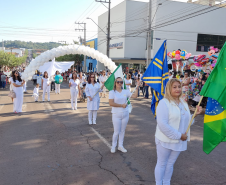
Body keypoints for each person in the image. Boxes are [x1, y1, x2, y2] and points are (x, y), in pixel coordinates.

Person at [154, 78, 202, 185]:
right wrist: (179, 135)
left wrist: (195, 115)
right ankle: (158, 183)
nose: (178, 89)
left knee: (170, 164)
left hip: (179, 140)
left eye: (179, 86)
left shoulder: (183, 102)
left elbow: (186, 121)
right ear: (169, 89)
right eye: (174, 87)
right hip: (165, 139)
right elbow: (162, 124)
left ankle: (166, 182)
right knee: (162, 163)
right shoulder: (163, 103)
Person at [109, 77, 140, 153]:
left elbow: (135, 96)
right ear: (115, 83)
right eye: (118, 82)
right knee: (116, 131)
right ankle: (113, 146)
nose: (119, 83)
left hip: (125, 114)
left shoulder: (125, 91)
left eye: (121, 82)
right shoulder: (112, 92)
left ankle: (120, 145)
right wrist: (121, 105)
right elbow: (111, 103)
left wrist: (137, 87)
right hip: (116, 114)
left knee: (122, 131)